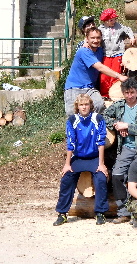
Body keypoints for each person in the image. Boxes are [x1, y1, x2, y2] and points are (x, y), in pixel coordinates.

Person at [103, 78, 137, 224]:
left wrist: (127, 127)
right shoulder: (119, 106)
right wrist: (117, 125)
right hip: (125, 148)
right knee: (117, 175)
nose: (129, 96)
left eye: (132, 92)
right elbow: (104, 117)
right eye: (126, 93)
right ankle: (123, 211)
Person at [53, 94, 109, 226]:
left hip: (94, 157)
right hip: (78, 157)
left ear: (90, 105)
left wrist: (101, 164)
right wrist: (67, 164)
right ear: (77, 106)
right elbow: (70, 142)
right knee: (66, 178)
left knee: (101, 178)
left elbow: (101, 141)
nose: (84, 107)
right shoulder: (72, 120)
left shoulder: (98, 118)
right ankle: (62, 213)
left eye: (86, 104)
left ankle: (100, 213)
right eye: (81, 105)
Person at [64, 26, 127, 116]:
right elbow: (100, 67)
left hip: (90, 88)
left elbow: (114, 52)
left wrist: (124, 60)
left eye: (98, 38)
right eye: (92, 38)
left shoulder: (100, 51)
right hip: (74, 88)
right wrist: (119, 76)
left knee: (99, 105)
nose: (95, 40)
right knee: (73, 114)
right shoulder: (83, 51)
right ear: (87, 39)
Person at [98, 8, 135, 97]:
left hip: (117, 54)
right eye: (111, 20)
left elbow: (128, 29)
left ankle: (115, 95)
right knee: (104, 76)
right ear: (105, 21)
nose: (113, 21)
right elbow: (94, 36)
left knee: (116, 74)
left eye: (114, 19)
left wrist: (132, 37)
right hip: (106, 54)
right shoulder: (100, 29)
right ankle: (105, 95)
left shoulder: (119, 26)